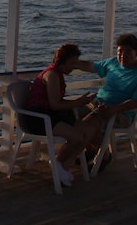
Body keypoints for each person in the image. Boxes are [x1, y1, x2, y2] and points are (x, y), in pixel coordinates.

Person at [71, 33, 137, 172]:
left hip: (121, 113)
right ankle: (94, 149)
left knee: (87, 124)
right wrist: (74, 63)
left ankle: (101, 154)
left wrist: (115, 108)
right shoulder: (113, 63)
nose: (123, 55)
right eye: (120, 51)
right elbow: (92, 66)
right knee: (69, 116)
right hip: (97, 104)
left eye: (128, 52)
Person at [21, 43, 97, 186]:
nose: (74, 67)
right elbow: (55, 104)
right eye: (72, 63)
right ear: (62, 61)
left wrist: (80, 102)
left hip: (53, 115)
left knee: (89, 131)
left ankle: (62, 166)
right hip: (39, 117)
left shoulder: (58, 74)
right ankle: (57, 164)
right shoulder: (52, 75)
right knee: (77, 137)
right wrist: (78, 102)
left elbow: (56, 103)